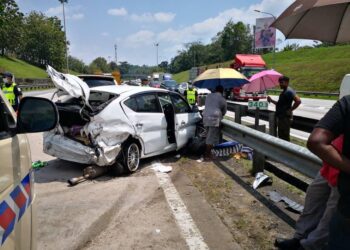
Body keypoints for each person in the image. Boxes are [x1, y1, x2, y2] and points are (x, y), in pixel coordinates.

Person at [275, 135, 342, 250]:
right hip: (332, 159)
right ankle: (300, 237)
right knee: (314, 197)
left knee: (332, 212)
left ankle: (310, 246)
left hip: (345, 167)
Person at [306, 95, 350, 250]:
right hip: (331, 166)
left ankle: (311, 244)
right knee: (315, 201)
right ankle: (303, 237)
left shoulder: (346, 103)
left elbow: (316, 141)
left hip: (341, 173)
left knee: (331, 213)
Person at [267, 76, 301, 141]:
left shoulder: (289, 91)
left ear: (287, 82)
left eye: (282, 82)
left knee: (284, 137)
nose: (280, 84)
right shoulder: (284, 92)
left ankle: (286, 150)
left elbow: (298, 101)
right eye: (280, 82)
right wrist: (271, 100)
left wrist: (290, 110)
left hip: (285, 119)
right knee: (281, 136)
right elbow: (279, 104)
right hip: (281, 118)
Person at [202, 85, 227, 161]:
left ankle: (208, 153)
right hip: (214, 119)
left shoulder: (208, 96)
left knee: (207, 136)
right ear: (222, 91)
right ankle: (207, 155)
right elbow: (224, 111)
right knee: (211, 138)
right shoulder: (222, 99)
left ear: (215, 90)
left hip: (205, 117)